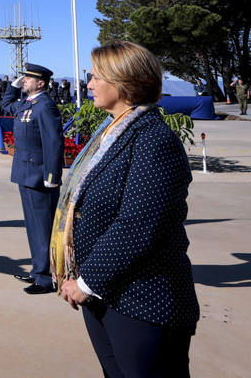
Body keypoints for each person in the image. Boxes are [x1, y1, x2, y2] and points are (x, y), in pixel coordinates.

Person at [53, 40, 199, 377]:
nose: (88, 85)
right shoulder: (112, 131)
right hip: (107, 293)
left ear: (124, 82)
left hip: (142, 299)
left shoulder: (153, 139)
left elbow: (138, 224)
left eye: (95, 77)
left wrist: (86, 282)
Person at [0, 62, 63, 294]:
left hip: (39, 176)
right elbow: (7, 106)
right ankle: (38, 270)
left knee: (43, 229)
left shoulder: (45, 106)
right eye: (23, 77)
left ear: (41, 83)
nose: (24, 79)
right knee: (34, 227)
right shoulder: (28, 103)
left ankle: (46, 278)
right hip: (25, 174)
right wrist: (12, 87)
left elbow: (53, 141)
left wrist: (52, 174)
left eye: (28, 77)